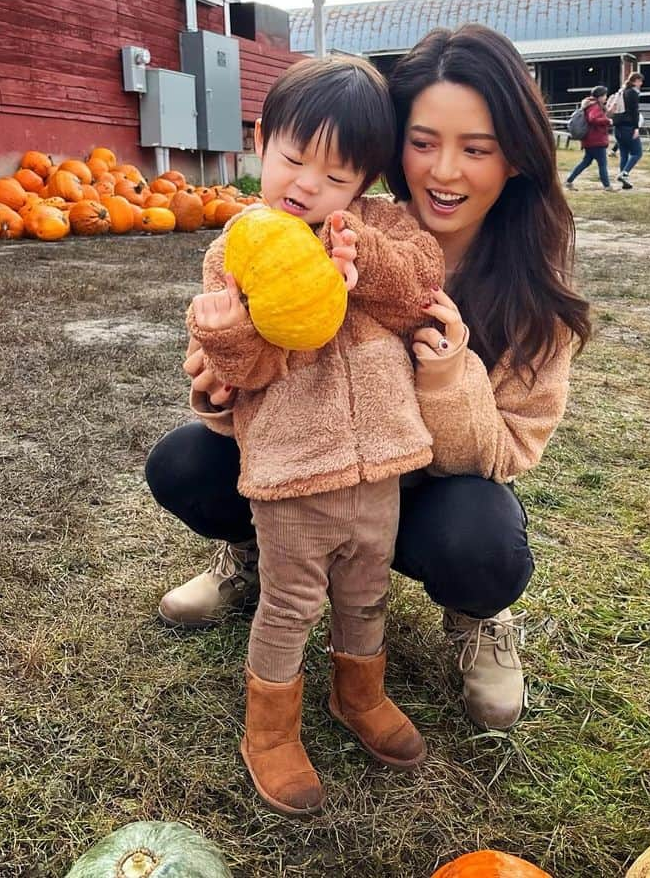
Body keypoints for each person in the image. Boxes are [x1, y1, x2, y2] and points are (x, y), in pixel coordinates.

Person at [146, 24, 590, 746]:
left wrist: (447, 380)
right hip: (303, 465)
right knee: (185, 461)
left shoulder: (526, 291)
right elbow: (259, 371)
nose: (445, 171)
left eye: (476, 148)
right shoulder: (297, 233)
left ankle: (478, 618)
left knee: (480, 539)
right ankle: (256, 555)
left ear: (515, 157)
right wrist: (220, 380)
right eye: (423, 142)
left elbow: (505, 454)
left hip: (427, 487)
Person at [180, 54, 443, 817]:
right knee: (290, 603)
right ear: (263, 142)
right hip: (295, 469)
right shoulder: (235, 250)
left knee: (366, 595)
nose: (304, 185)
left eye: (334, 176)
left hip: (382, 464)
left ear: (364, 183)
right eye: (292, 158)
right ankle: (270, 731)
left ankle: (358, 697)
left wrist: (365, 257)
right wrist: (228, 335)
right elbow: (247, 371)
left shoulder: (382, 229)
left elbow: (418, 294)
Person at [564, 85, 617, 190]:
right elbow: (593, 119)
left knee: (586, 162)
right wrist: (608, 121)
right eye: (605, 95)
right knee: (602, 164)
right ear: (600, 96)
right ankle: (607, 186)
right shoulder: (595, 106)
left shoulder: (590, 104)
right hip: (596, 140)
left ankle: (569, 181)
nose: (606, 97)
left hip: (590, 139)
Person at [612, 71, 644, 188]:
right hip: (628, 126)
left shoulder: (622, 91)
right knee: (637, 153)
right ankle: (624, 174)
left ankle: (625, 182)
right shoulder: (633, 93)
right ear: (636, 81)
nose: (641, 83)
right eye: (640, 81)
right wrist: (636, 128)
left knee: (624, 154)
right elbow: (634, 112)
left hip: (618, 127)